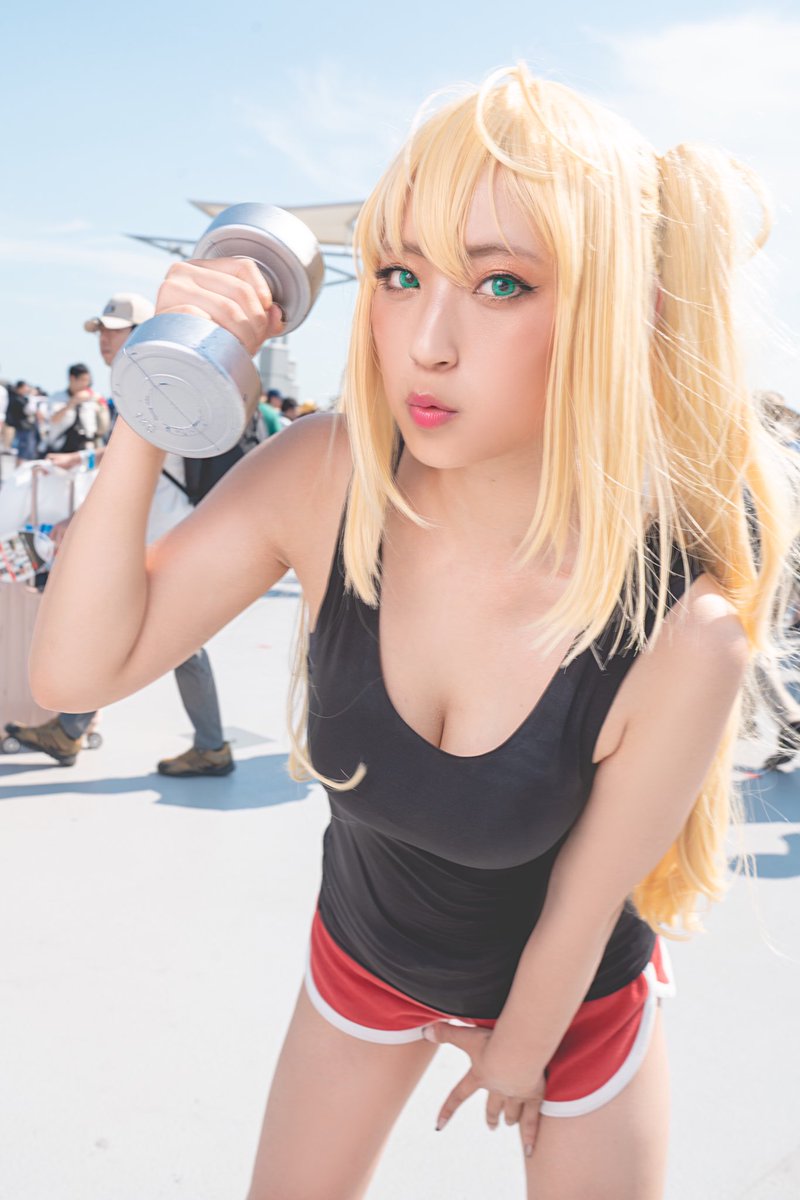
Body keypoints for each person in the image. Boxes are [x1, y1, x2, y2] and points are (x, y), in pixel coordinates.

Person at [28, 65, 799, 1199]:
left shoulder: (683, 630)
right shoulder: (328, 479)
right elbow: (71, 671)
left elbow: (582, 909)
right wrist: (160, 373)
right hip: (363, 958)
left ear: (612, 312)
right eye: (398, 275)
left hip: (574, 1008)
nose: (424, 342)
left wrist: (518, 1056)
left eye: (500, 284)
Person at [7, 292, 235, 778]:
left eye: (114, 329)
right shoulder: (147, 382)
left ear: (142, 332)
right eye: (101, 331)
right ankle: (71, 729)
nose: (104, 340)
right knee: (135, 631)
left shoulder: (150, 382)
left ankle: (209, 746)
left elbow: (133, 463)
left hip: (164, 533)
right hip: (164, 529)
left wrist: (81, 513)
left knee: (172, 641)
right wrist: (83, 460)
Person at [45, 363, 107, 453]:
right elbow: (54, 419)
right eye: (83, 380)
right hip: (62, 448)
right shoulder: (57, 397)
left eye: (88, 380)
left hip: (88, 447)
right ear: (72, 378)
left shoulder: (94, 397)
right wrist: (72, 402)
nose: (86, 384)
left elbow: (104, 417)